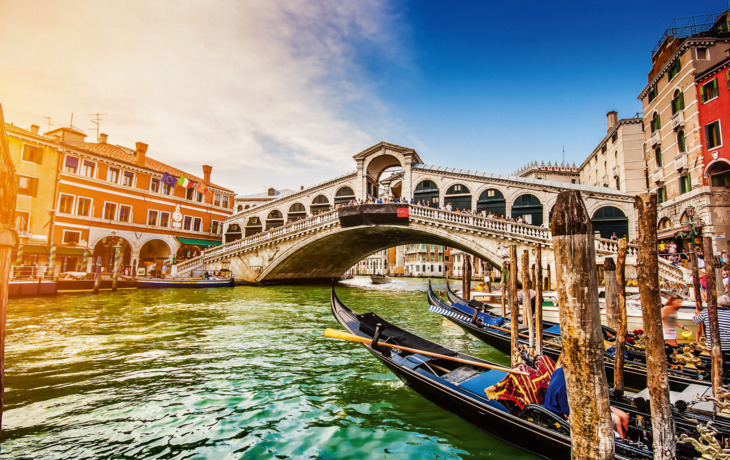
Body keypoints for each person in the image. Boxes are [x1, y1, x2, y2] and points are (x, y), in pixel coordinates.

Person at [544, 366, 628, 438]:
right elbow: (568, 414)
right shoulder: (565, 385)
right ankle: (621, 443)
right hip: (565, 415)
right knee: (617, 420)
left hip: (587, 405)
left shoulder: (562, 372)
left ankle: (624, 440)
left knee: (624, 416)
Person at [693, 295, 730, 362]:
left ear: (717, 303)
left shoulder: (707, 312)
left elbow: (695, 321)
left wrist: (697, 315)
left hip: (714, 346)